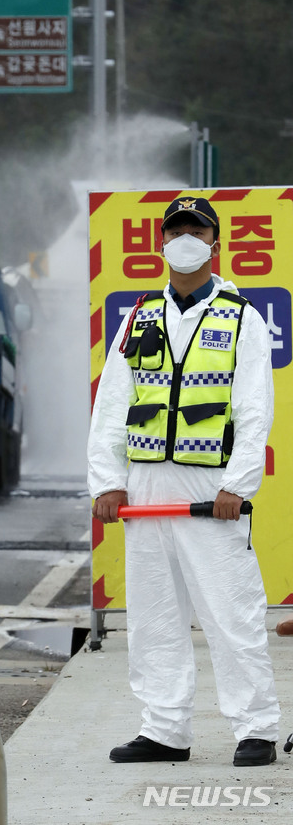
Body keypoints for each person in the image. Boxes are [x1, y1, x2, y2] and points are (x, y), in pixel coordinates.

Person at [87, 196, 280, 767]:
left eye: (197, 229)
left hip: (210, 489)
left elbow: (254, 410)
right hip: (146, 487)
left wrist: (238, 486)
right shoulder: (138, 317)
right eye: (176, 230)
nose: (186, 238)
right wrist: (107, 480)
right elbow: (112, 405)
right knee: (153, 615)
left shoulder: (241, 317)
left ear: (215, 243)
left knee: (231, 611)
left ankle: (257, 728)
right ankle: (165, 730)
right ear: (161, 243)